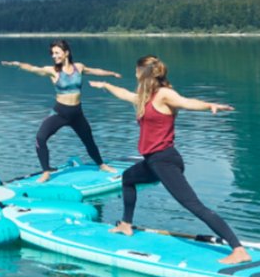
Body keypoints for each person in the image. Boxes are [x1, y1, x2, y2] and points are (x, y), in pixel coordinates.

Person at [90, 55, 251, 264]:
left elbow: (185, 102)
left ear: (143, 72)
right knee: (128, 178)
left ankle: (238, 249)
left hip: (164, 161)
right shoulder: (144, 96)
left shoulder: (163, 94)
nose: (134, 74)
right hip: (152, 162)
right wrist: (105, 85)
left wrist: (209, 105)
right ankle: (126, 224)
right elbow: (125, 94)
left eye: (136, 70)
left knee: (193, 205)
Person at [1, 39, 122, 183]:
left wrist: (111, 74)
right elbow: (34, 69)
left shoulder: (79, 67)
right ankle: (46, 172)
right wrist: (17, 64)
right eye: (52, 53)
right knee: (40, 138)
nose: (54, 56)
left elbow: (95, 71)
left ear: (66, 53)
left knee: (89, 140)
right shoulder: (52, 71)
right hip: (60, 113)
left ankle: (101, 165)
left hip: (77, 114)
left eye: (57, 52)